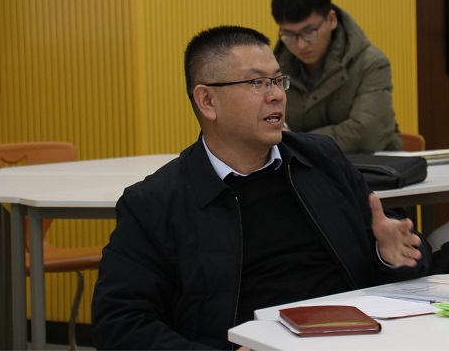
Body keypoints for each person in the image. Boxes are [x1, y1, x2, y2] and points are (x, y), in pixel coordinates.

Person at [91, 25, 431, 350]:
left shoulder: (320, 159)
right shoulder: (155, 203)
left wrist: (390, 257)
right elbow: (119, 323)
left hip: (357, 339)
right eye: (257, 83)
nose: (277, 95)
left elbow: (405, 254)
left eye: (278, 80)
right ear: (207, 101)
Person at [271, 0, 402, 154]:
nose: (300, 44)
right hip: (305, 165)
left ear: (331, 20)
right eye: (288, 35)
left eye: (309, 32)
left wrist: (296, 141)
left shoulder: (371, 63)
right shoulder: (274, 70)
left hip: (369, 165)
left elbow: (367, 134)